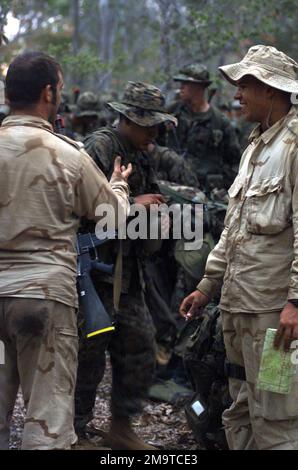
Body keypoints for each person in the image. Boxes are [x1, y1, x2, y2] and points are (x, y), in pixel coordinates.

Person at [0, 52, 131, 450]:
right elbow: (114, 218)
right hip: (44, 300)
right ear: (48, 93)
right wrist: (119, 185)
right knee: (48, 426)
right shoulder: (69, 154)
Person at [180, 44, 298, 450]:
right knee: (239, 410)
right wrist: (207, 285)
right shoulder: (254, 148)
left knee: (277, 417)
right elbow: (234, 229)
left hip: (274, 317)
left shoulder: (294, 147)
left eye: (245, 85)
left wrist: (295, 303)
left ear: (270, 89)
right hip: (236, 307)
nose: (237, 95)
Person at [74, 81, 177, 450]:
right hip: (96, 271)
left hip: (129, 272)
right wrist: (137, 203)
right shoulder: (99, 146)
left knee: (139, 346)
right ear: (131, 120)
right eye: (150, 124)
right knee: (88, 352)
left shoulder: (142, 152)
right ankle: (77, 429)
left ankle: (121, 425)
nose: (155, 132)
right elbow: (87, 207)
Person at [167, 63, 241, 190]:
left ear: (200, 87)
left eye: (186, 83)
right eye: (180, 83)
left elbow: (235, 163)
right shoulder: (172, 112)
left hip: (207, 194)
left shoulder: (219, 122)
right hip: (173, 188)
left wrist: (222, 189)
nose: (181, 87)